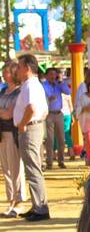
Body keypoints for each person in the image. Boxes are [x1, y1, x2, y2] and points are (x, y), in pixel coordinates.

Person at [13, 53, 50, 220]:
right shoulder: (32, 85)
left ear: (27, 68)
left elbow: (32, 108)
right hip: (33, 127)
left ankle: (41, 208)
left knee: (33, 168)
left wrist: (22, 124)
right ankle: (38, 205)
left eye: (19, 67)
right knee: (33, 168)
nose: (17, 70)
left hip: (30, 128)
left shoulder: (30, 86)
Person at [0, 59, 26, 217]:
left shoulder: (19, 92)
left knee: (16, 168)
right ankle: (11, 200)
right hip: (1, 132)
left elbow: (9, 114)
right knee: (6, 169)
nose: (4, 74)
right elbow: (5, 112)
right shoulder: (3, 92)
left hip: (12, 132)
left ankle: (19, 200)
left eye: (7, 71)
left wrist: (4, 112)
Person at [43, 66, 70, 169]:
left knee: (61, 139)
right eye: (50, 74)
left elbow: (68, 92)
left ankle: (61, 161)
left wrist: (60, 82)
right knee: (50, 140)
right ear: (46, 76)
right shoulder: (43, 85)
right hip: (48, 114)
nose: (52, 76)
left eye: (54, 74)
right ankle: (49, 162)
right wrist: (49, 98)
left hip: (59, 113)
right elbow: (46, 96)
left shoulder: (59, 85)